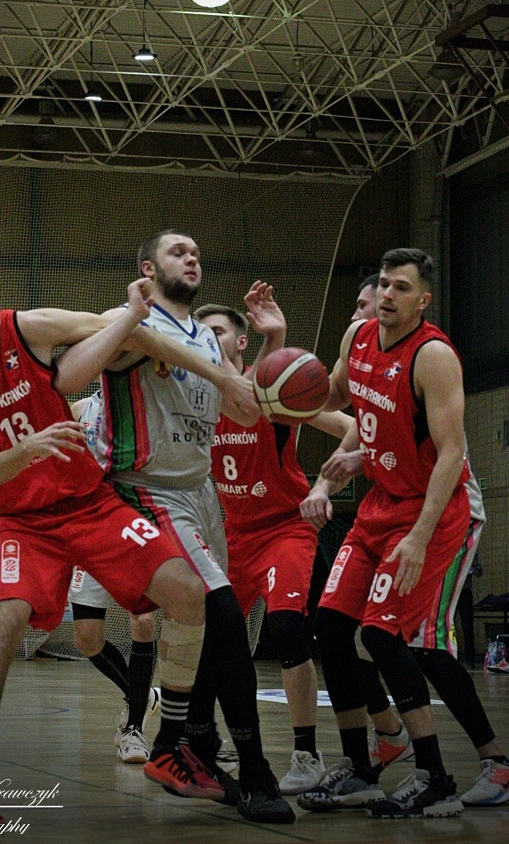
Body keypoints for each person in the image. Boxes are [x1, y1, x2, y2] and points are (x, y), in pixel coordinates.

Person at [0, 245, 252, 827]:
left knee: (187, 593)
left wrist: (218, 373)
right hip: (22, 521)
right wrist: (29, 448)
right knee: (5, 624)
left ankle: (170, 748)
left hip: (89, 504)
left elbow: (129, 333)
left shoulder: (27, 327)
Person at [55, 230, 295, 825]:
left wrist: (275, 343)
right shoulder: (131, 321)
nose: (191, 258)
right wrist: (135, 320)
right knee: (224, 618)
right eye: (177, 252)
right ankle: (253, 768)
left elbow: (246, 409)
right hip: (148, 489)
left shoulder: (207, 340)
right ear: (147, 268)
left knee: (212, 626)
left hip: (201, 493)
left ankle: (188, 746)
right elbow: (68, 374)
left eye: (196, 253)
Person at [315, 272, 509, 807]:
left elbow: (440, 450)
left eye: (367, 304)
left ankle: (483, 764)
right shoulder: (364, 351)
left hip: (443, 508)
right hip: (387, 505)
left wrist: (362, 464)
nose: (361, 314)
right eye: (364, 302)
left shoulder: (426, 357)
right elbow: (360, 427)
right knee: (341, 628)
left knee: (416, 642)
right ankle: (383, 745)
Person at [297, 248, 475, 819]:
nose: (388, 295)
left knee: (381, 634)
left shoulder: (433, 356)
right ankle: (359, 768)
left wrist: (419, 537)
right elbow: (334, 397)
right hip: (379, 504)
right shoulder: (357, 337)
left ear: (423, 300)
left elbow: (451, 453)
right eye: (384, 284)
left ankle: (436, 777)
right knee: (330, 626)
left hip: (428, 511)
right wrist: (282, 376)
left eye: (401, 287)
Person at [195, 288, 328, 795]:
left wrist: (323, 485)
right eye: (201, 333)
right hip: (233, 535)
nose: (208, 339)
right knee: (211, 636)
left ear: (241, 341)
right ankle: (203, 743)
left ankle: (307, 754)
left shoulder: (273, 389)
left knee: (286, 628)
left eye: (218, 331)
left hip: (285, 527)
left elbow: (349, 427)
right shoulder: (196, 399)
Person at [69, 392, 160, 764]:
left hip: (136, 525)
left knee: (144, 620)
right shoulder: (80, 410)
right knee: (87, 639)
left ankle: (134, 729)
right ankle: (140, 695)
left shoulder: (147, 405)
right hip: (90, 530)